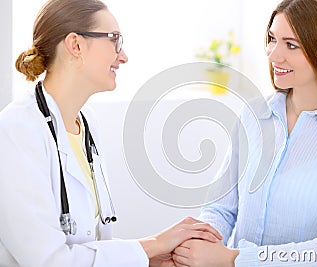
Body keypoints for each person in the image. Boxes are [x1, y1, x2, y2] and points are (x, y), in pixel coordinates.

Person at [172, 0, 317, 266]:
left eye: (291, 45)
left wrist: (236, 259)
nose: (273, 54)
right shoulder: (253, 117)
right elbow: (220, 208)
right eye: (272, 39)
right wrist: (196, 245)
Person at [0, 0, 222, 266]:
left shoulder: (86, 123)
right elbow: (49, 260)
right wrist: (152, 245)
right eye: (114, 40)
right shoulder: (16, 131)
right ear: (76, 45)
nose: (123, 56)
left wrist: (149, 259)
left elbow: (90, 244)